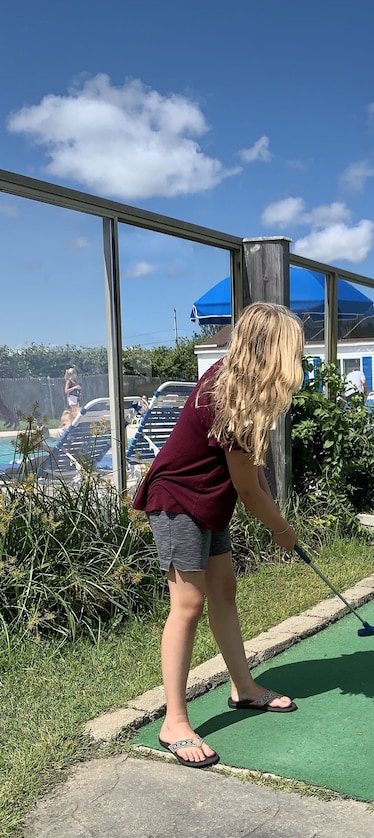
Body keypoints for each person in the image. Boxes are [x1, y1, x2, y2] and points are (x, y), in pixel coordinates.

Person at [132, 302, 304, 768]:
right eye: (293, 352)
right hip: (178, 500)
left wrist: (275, 514)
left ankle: (243, 687)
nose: (298, 361)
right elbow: (247, 489)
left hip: (208, 502)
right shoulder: (229, 395)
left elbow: (252, 470)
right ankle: (174, 722)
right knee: (188, 604)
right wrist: (282, 530)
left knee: (224, 591)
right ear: (270, 352)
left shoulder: (245, 389)